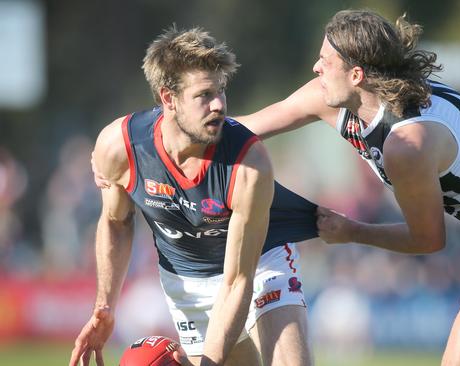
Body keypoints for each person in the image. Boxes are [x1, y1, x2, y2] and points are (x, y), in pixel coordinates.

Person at [234, 9, 460, 366]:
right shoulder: (331, 97)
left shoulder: (407, 143)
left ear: (357, 74)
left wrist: (352, 231)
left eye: (325, 60)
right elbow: (243, 129)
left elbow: (427, 239)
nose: (316, 68)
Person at [70, 27, 316, 366]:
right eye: (204, 95)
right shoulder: (120, 146)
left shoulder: (249, 162)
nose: (219, 105)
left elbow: (237, 280)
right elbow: (115, 221)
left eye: (222, 92)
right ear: (168, 98)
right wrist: (105, 307)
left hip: (257, 268)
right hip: (186, 280)